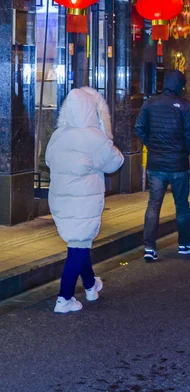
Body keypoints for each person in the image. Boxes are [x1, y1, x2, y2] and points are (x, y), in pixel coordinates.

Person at [46, 88, 124, 314]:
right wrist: (106, 136)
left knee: (79, 242)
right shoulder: (94, 137)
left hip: (61, 199)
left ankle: (90, 285)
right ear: (92, 110)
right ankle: (64, 298)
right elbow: (114, 162)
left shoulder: (58, 135)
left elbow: (49, 161)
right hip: (84, 200)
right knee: (78, 247)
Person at [135, 70, 190, 261]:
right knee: (181, 206)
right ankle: (185, 243)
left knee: (154, 205)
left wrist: (152, 144)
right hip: (178, 164)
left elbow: (139, 127)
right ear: (179, 85)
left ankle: (149, 247)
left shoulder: (150, 103)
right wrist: (184, 150)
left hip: (156, 164)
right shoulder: (185, 106)